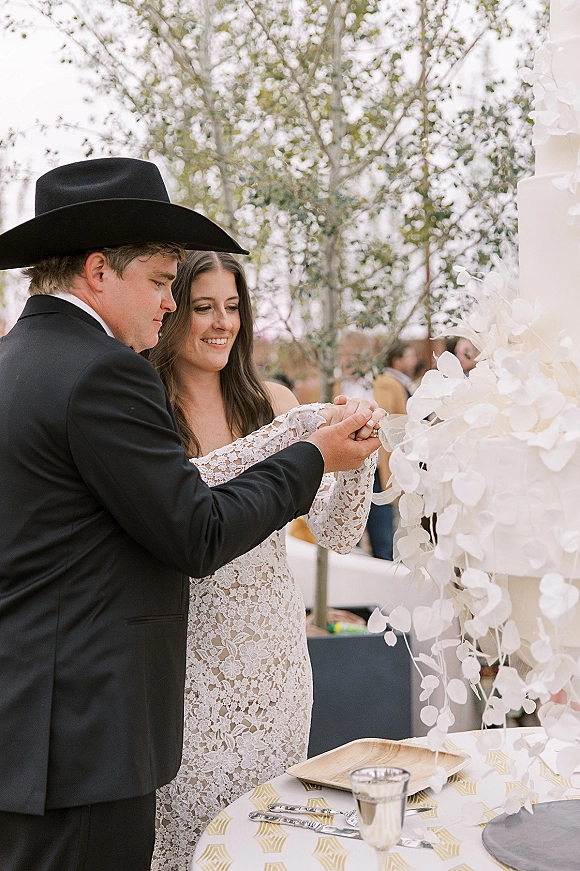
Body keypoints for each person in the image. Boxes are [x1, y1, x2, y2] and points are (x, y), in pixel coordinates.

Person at [0, 157, 380, 871]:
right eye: (161, 281)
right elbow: (197, 529)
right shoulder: (101, 371)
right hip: (86, 741)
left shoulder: (14, 360)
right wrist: (310, 457)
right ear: (96, 271)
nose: (172, 304)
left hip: (33, 730)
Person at [146, 251, 378, 866]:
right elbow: (188, 499)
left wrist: (355, 456)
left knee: (268, 841)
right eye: (203, 308)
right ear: (172, 313)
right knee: (191, 842)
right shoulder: (147, 410)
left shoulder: (269, 401)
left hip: (276, 665)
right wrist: (295, 444)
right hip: (190, 670)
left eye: (232, 307)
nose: (221, 322)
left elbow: (337, 530)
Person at [368, 340, 418, 560]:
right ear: (397, 360)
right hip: (380, 466)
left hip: (386, 466)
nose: (414, 360)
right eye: (409, 356)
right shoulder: (387, 384)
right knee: (383, 535)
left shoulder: (394, 384)